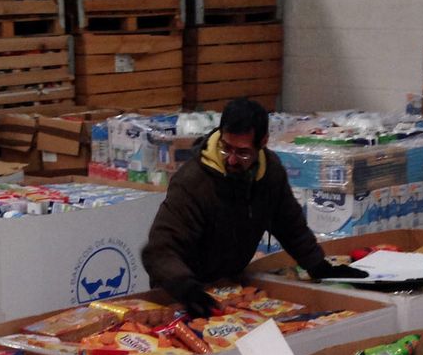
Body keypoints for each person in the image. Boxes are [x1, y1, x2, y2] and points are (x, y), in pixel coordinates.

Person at [142, 98, 366, 318]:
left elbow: (289, 225)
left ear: (263, 142)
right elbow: (161, 249)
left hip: (227, 287)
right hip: (181, 292)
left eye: (242, 152)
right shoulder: (194, 182)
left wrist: (318, 266)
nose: (231, 160)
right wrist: (186, 288)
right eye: (226, 148)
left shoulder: (270, 173)